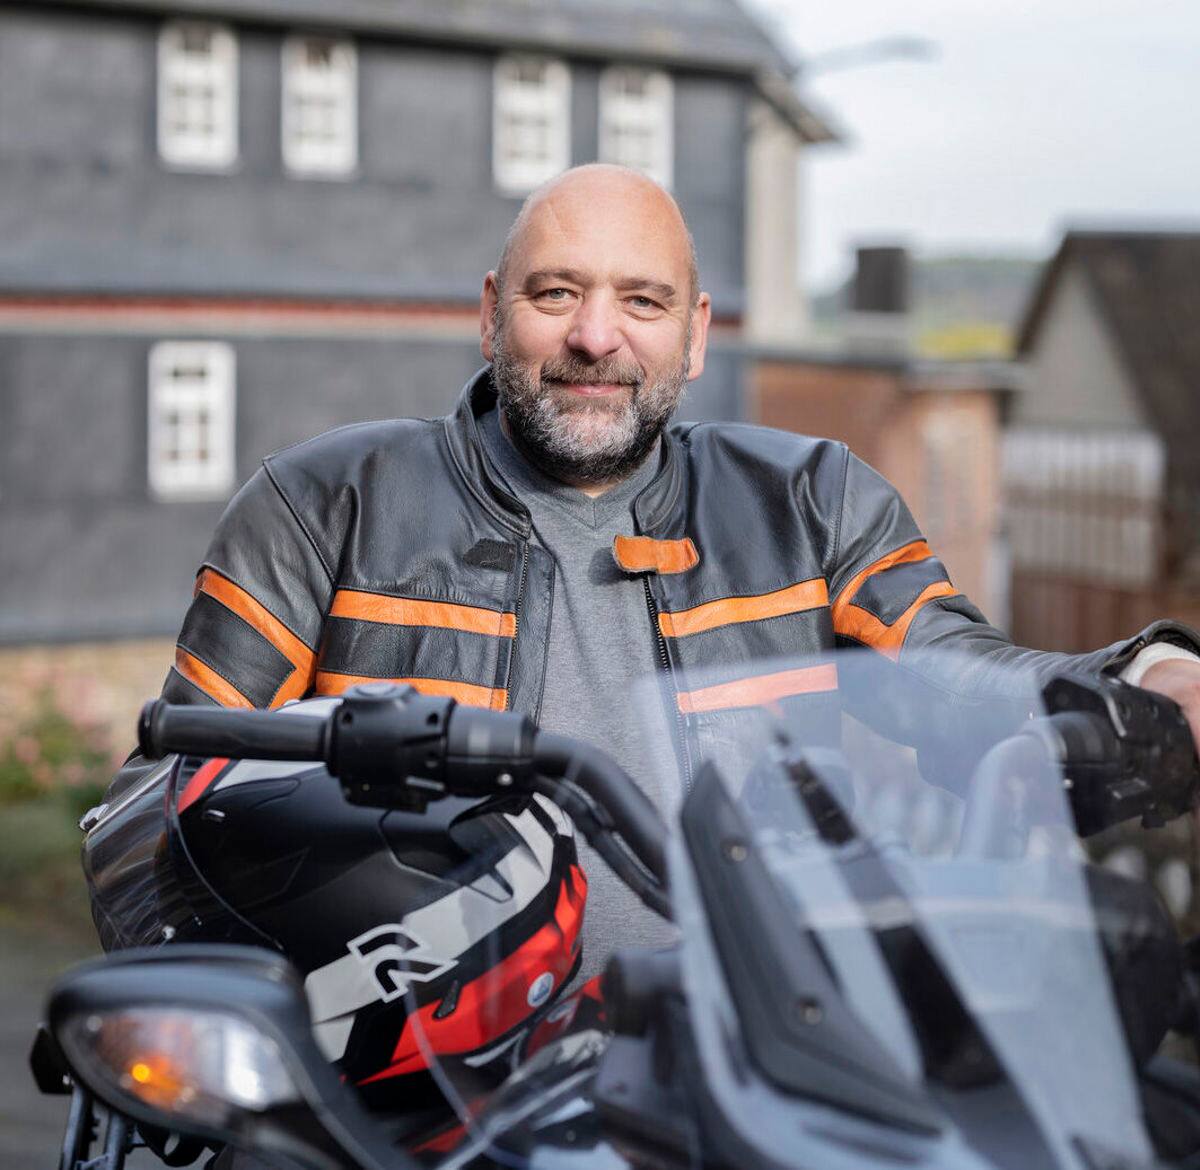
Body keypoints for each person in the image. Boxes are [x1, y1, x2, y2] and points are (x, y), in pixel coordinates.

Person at [143, 164, 1200, 980]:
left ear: (694, 336)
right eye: (556, 292)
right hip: (414, 1103)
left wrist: (1143, 683)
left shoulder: (811, 502)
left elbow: (949, 671)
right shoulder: (327, 504)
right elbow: (168, 806)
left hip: (739, 1076)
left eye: (642, 302)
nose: (596, 337)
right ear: (490, 310)